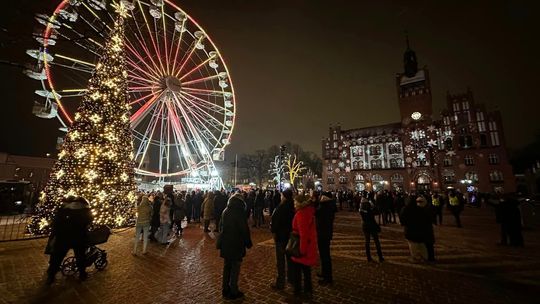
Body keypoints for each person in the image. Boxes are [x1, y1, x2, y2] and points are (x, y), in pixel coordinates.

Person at [46, 196, 93, 284]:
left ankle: (51, 275)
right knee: (80, 256)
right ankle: (82, 274)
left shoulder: (64, 210)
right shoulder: (85, 211)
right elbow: (89, 221)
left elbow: (55, 223)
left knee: (57, 256)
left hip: (63, 237)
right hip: (79, 237)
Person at [217, 193, 253, 300]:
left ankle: (225, 289)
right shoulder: (239, 212)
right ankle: (233, 290)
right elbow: (244, 229)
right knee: (235, 268)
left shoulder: (225, 211)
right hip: (236, 243)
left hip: (226, 243)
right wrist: (248, 243)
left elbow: (220, 226)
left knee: (227, 266)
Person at [290, 194, 318, 299]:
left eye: (295, 202)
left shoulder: (301, 214)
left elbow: (303, 233)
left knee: (297, 272)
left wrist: (301, 250)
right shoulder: (309, 211)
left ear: (299, 203)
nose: (294, 203)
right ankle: (308, 291)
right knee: (306, 271)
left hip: (301, 246)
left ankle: (297, 293)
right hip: (309, 245)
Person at [270, 189, 295, 290]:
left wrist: (273, 229)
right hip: (291, 237)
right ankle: (292, 279)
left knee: (280, 261)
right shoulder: (294, 207)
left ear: (284, 196)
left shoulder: (280, 208)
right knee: (290, 260)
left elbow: (275, 223)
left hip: (281, 237)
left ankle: (281, 282)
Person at [315, 191, 337, 284]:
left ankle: (328, 278)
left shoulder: (325, 207)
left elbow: (316, 213)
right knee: (324, 255)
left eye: (321, 196)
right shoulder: (328, 205)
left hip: (323, 233)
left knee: (325, 256)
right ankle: (324, 273)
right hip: (325, 233)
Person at [400, 196, 427, 262]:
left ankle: (414, 257)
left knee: (412, 244)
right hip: (420, 228)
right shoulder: (419, 208)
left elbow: (402, 219)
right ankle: (424, 257)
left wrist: (404, 224)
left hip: (410, 228)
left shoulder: (405, 209)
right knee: (421, 243)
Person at [359, 197, 384, 262]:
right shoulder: (370, 209)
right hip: (372, 225)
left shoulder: (361, 210)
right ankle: (380, 257)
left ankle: (368, 257)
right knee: (376, 241)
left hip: (365, 226)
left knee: (367, 242)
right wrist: (372, 205)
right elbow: (377, 212)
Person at [416, 196, 436, 262]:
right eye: (418, 202)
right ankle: (428, 257)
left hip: (427, 230)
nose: (419, 203)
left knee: (428, 245)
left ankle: (430, 258)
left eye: (420, 202)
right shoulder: (420, 209)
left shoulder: (427, 209)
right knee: (425, 245)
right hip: (424, 230)